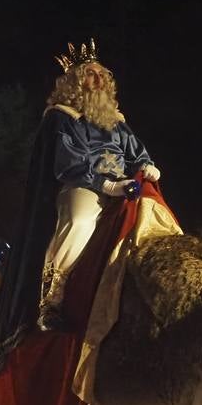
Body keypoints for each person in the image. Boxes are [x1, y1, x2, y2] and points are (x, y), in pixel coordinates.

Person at [36, 40, 160, 330]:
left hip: (124, 185)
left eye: (102, 74)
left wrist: (145, 165)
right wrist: (108, 186)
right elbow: (68, 163)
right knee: (79, 220)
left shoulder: (116, 121)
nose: (100, 79)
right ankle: (51, 299)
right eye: (91, 74)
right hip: (84, 185)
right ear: (77, 82)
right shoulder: (63, 117)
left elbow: (135, 150)